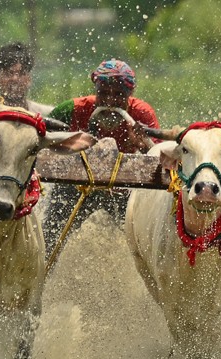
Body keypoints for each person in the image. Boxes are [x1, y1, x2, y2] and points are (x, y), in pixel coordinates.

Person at [43, 58, 160, 256]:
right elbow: (37, 138)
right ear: (95, 91)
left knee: (146, 239)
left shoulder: (142, 115)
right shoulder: (71, 110)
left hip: (123, 190)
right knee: (50, 239)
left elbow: (159, 162)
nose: (110, 101)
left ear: (130, 95)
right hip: (77, 188)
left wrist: (142, 145)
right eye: (103, 93)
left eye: (118, 95)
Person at [0, 42, 53, 115]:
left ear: (29, 78)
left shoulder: (47, 114)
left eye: (21, 73)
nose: (15, 78)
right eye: (8, 73)